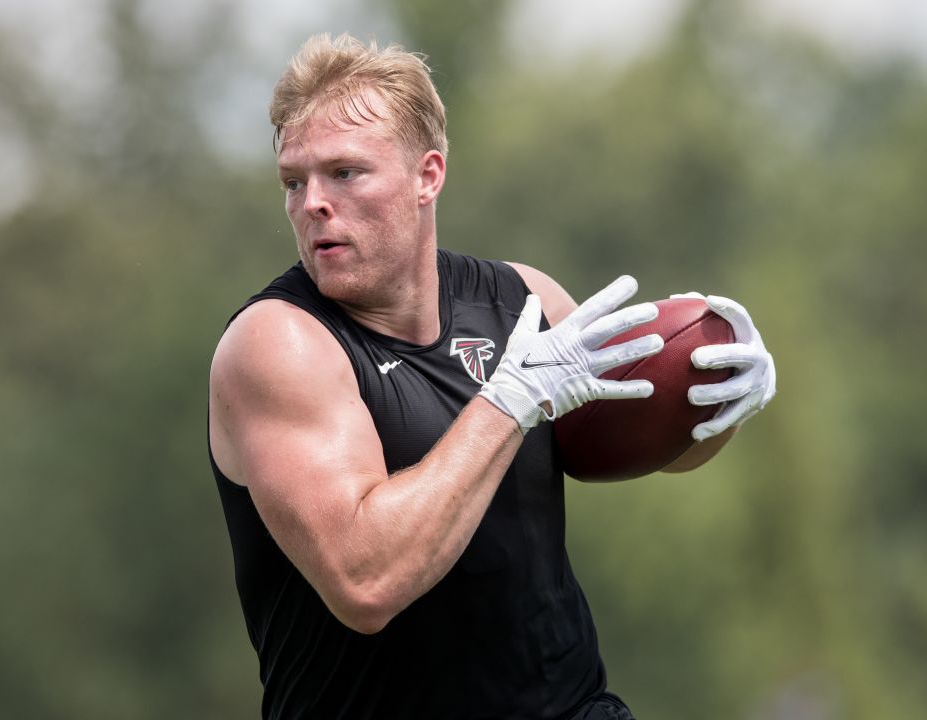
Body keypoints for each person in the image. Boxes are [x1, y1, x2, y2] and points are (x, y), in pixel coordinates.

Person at [208, 33, 776, 720]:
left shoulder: (519, 300)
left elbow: (628, 442)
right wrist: (506, 403)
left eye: (345, 173)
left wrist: (718, 401)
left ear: (428, 175)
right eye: (294, 181)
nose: (311, 204)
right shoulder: (279, 345)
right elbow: (365, 581)